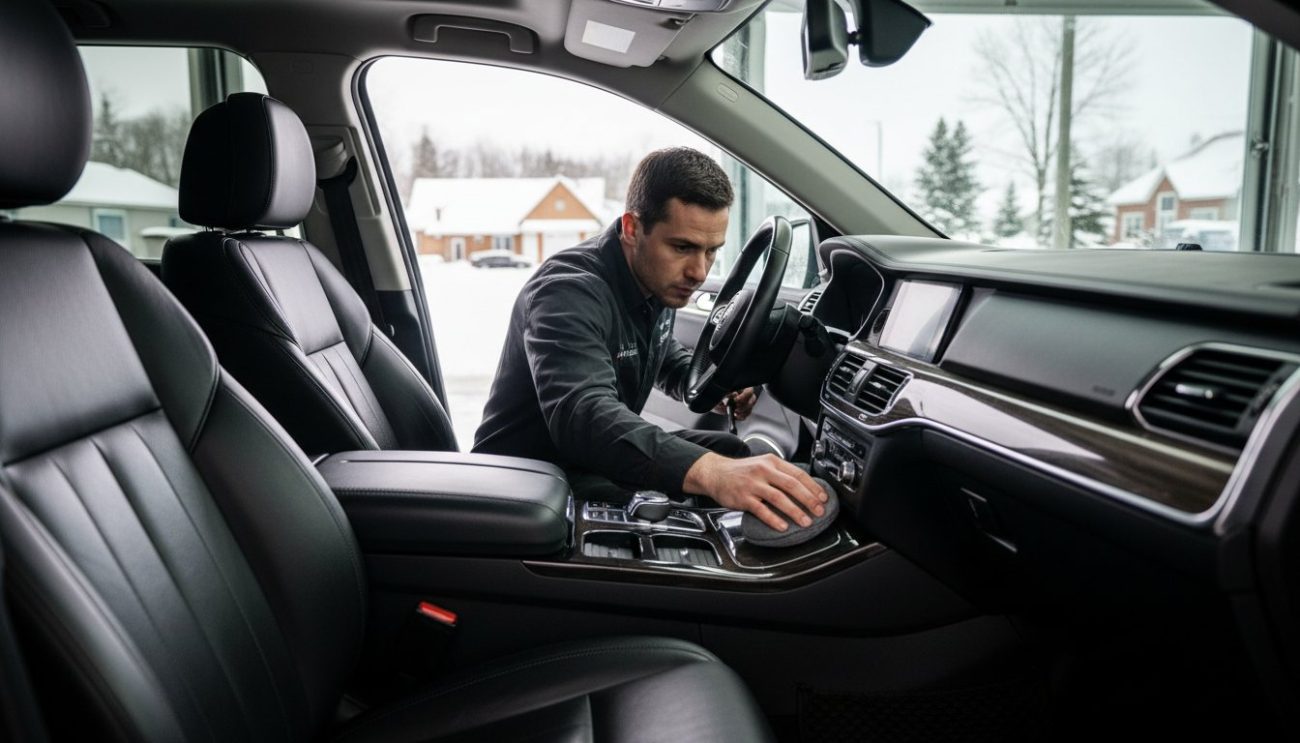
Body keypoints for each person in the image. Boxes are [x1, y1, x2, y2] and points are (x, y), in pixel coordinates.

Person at [473, 147, 825, 532]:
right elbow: (583, 413)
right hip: (530, 478)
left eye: (712, 252)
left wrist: (717, 387)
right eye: (682, 247)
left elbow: (660, 356)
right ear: (631, 228)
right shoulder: (567, 291)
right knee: (684, 507)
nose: (698, 271)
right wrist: (711, 473)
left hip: (584, 461)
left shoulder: (653, 280)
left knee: (734, 452)